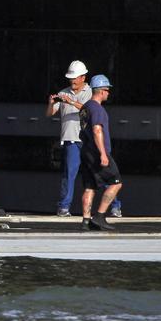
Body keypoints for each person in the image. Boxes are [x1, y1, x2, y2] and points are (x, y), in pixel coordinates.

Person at [48, 60, 121, 217]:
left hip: (88, 142)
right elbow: (50, 113)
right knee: (70, 174)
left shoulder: (91, 92)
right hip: (71, 139)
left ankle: (115, 206)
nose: (72, 81)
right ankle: (64, 207)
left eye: (75, 77)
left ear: (83, 77)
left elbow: (90, 109)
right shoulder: (63, 92)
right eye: (70, 78)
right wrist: (52, 103)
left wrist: (72, 102)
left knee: (102, 174)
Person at [80, 74, 122, 231]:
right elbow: (97, 130)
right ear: (102, 91)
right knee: (116, 182)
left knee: (90, 186)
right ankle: (99, 216)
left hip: (86, 151)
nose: (108, 93)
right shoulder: (98, 109)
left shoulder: (85, 107)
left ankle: (85, 220)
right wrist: (103, 154)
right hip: (97, 152)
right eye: (107, 90)